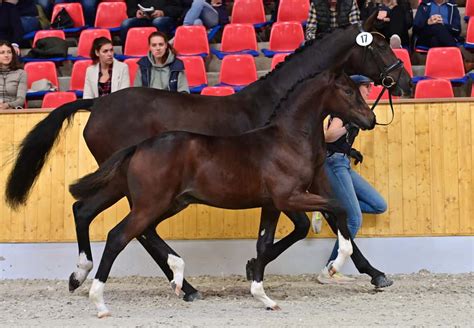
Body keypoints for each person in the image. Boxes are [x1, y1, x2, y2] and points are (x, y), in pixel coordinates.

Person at [314, 75, 387, 284]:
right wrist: (350, 125)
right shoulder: (343, 110)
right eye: (367, 86)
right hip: (333, 163)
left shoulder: (353, 110)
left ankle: (329, 206)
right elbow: (328, 136)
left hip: (343, 162)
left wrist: (350, 149)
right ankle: (330, 270)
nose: (370, 90)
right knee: (354, 219)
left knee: (378, 205)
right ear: (356, 88)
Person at [0, 40, 27, 109]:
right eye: (2, 53)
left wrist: (7, 105)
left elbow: (21, 100)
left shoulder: (21, 73)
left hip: (12, 109)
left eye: (9, 52)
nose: (6, 55)